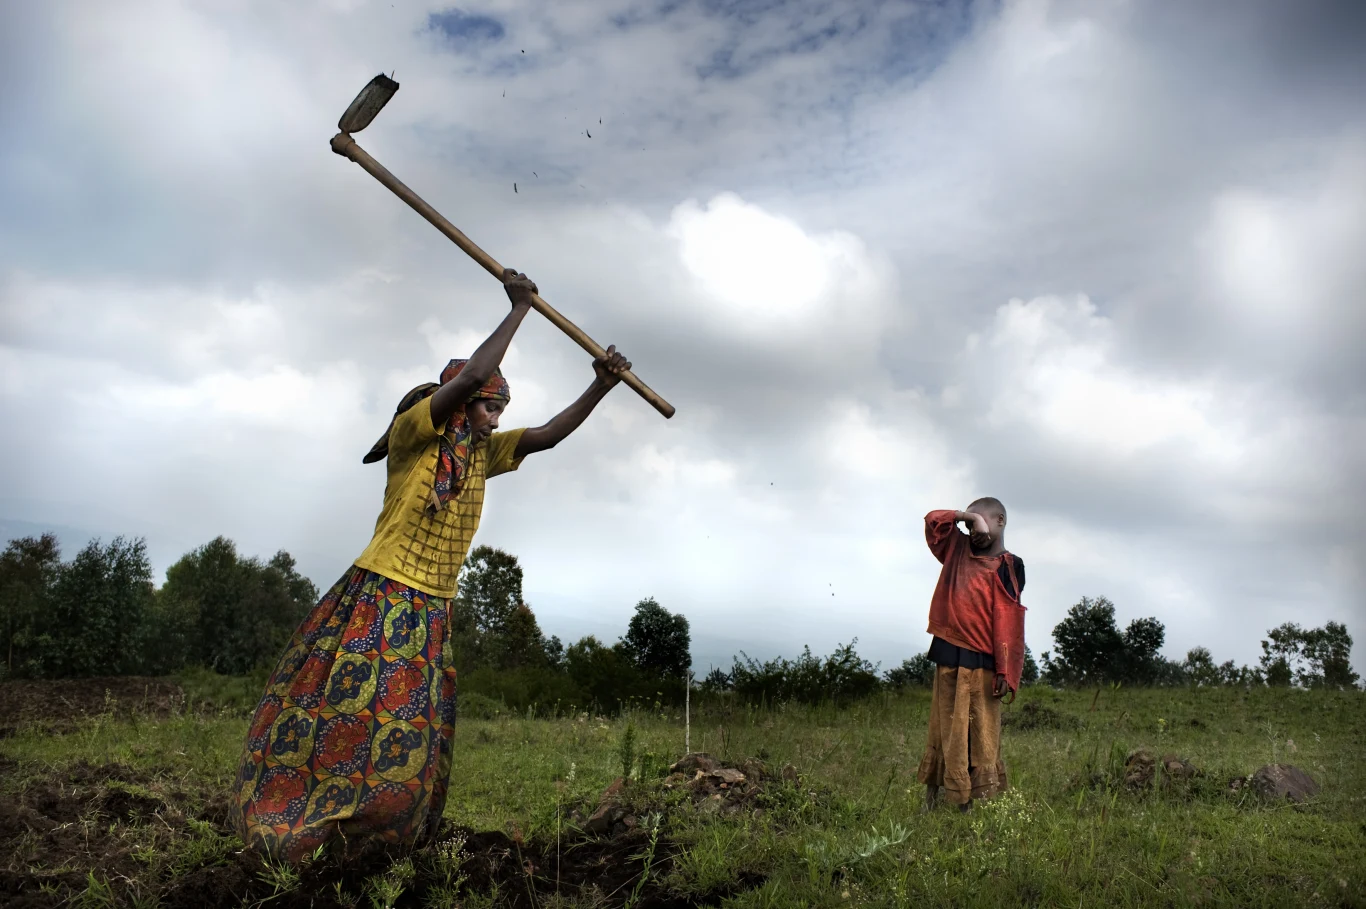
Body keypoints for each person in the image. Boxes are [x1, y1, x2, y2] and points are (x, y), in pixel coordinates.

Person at [229, 269, 633, 862]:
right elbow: (471, 372)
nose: (496, 418)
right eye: (489, 406)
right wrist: (520, 309)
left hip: (432, 607)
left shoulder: (482, 454)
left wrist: (601, 386)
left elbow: (545, 436)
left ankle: (373, 837)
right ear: (462, 403)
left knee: (403, 731)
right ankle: (297, 820)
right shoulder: (413, 436)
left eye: (499, 409)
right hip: (381, 594)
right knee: (344, 711)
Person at [916, 497, 1026, 812]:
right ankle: (932, 801)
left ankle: (968, 805)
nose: (973, 531)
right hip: (949, 653)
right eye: (968, 525)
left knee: (978, 733)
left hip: (984, 662)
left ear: (1001, 521)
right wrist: (968, 517)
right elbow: (933, 520)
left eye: (982, 522)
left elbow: (1010, 620)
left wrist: (1008, 672)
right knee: (944, 729)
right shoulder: (956, 549)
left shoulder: (1010, 565)